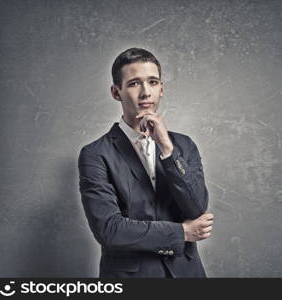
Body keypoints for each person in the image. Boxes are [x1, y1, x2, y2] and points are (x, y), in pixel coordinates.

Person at [78, 47, 213, 278]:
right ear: (116, 92)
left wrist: (167, 148)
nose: (145, 92)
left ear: (162, 89)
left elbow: (197, 208)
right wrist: (181, 232)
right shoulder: (95, 154)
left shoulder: (183, 145)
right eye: (134, 83)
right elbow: (109, 230)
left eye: (152, 82)